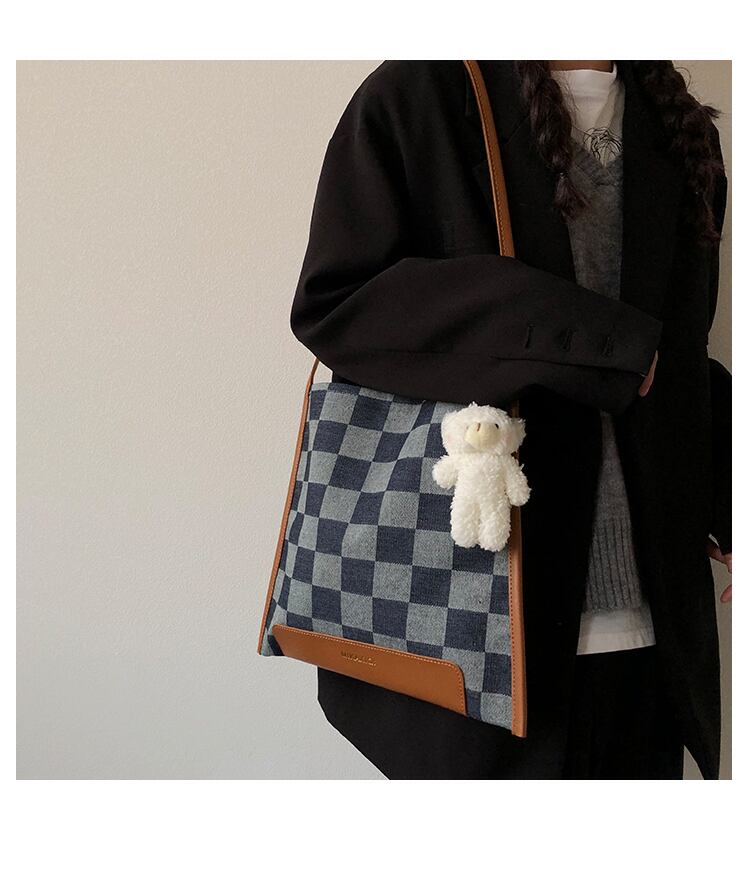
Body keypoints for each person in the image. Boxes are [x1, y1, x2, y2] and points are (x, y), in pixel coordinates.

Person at [288, 60, 732, 779]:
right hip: (472, 634)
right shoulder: (423, 94)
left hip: (648, 639)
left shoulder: (676, 125)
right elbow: (339, 306)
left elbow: (677, 358)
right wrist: (589, 336)